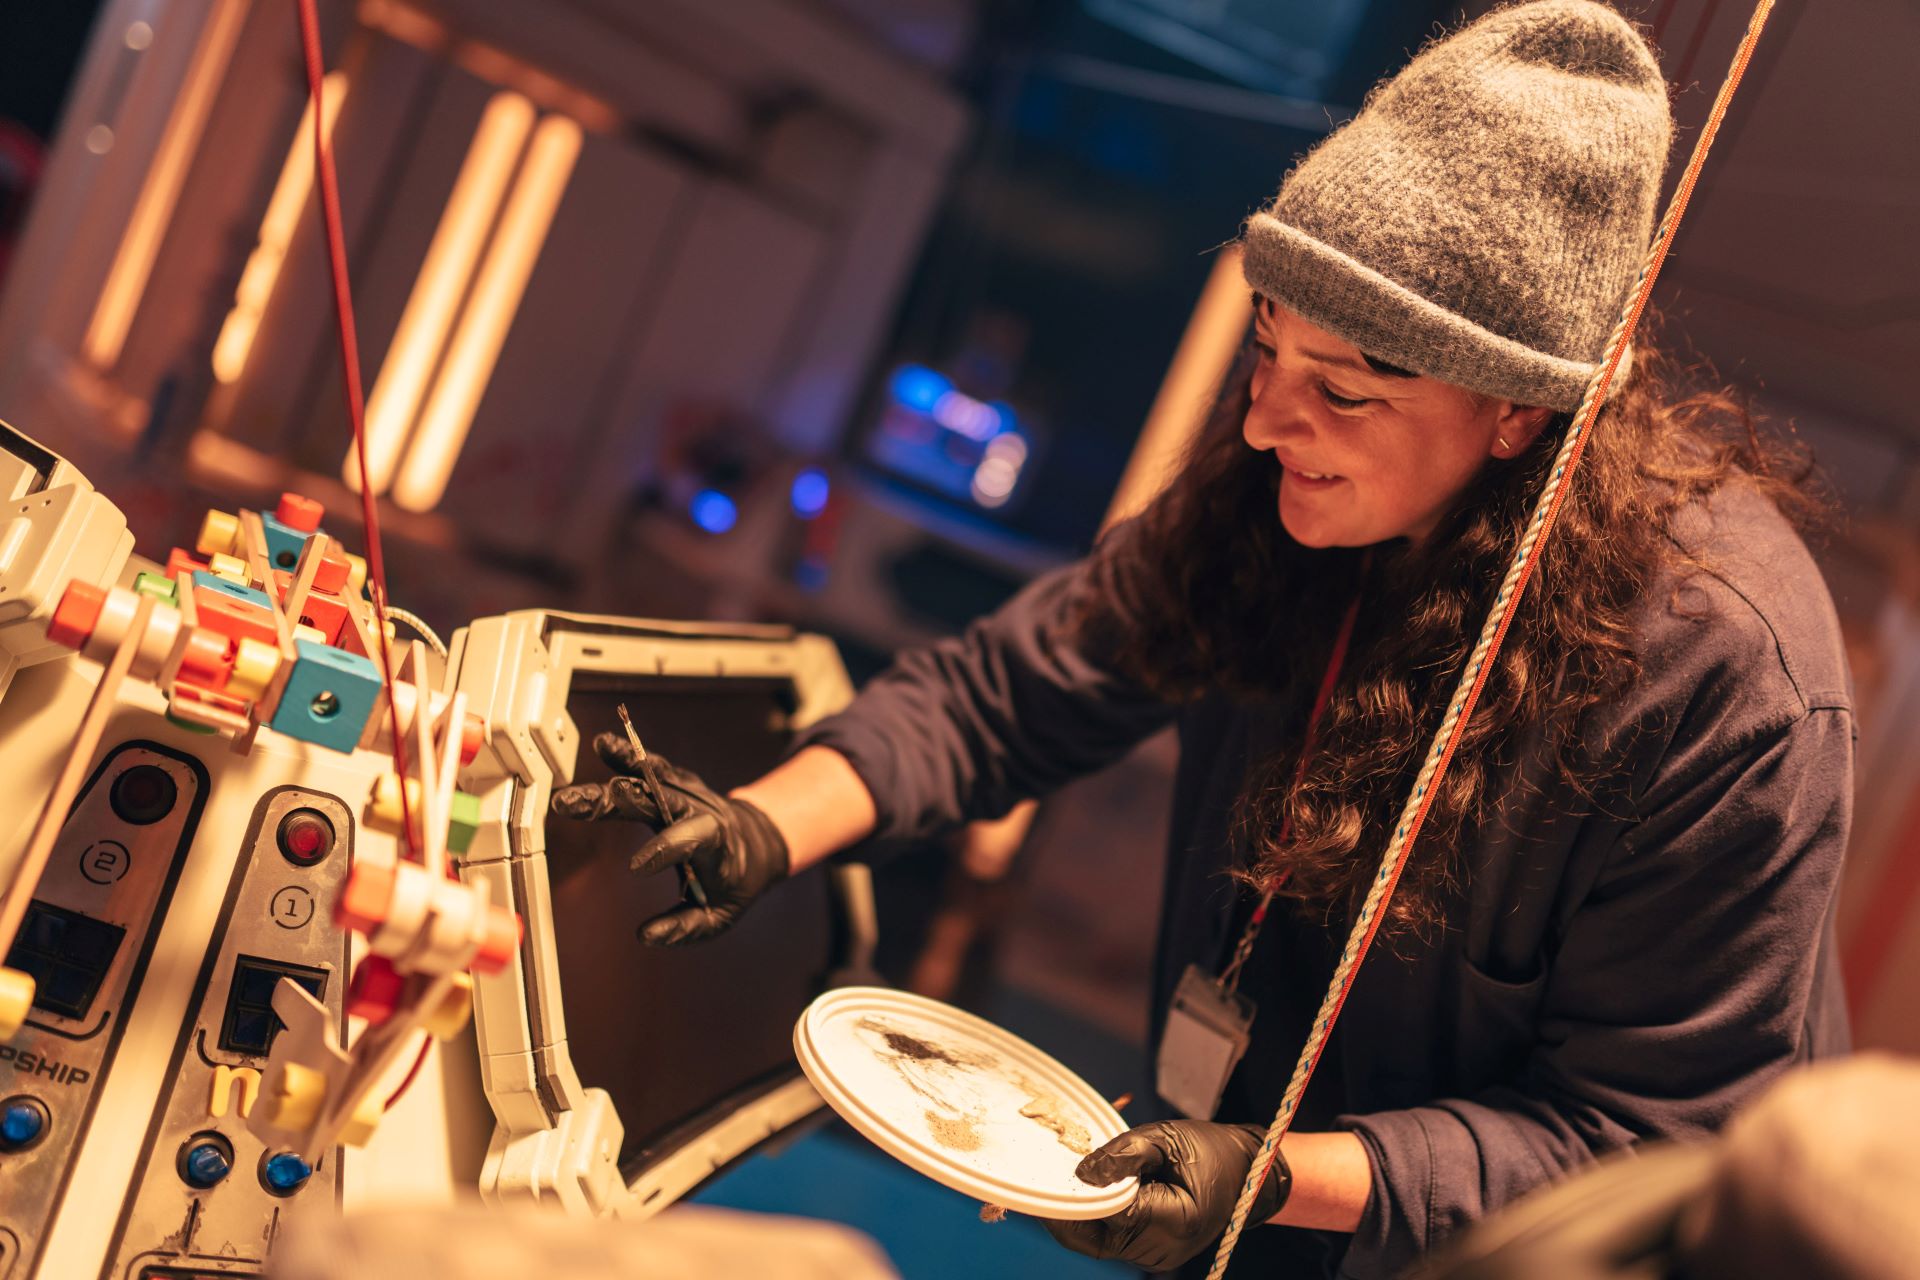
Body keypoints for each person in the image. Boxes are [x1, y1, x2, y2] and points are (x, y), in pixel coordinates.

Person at [551, 3, 1853, 1276]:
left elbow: (1638, 1139)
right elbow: (1007, 694)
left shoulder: (1722, 683)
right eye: (1265, 349)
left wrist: (1271, 1178)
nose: (1265, 424)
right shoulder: (1283, 492)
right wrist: (763, 828)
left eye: (1342, 391)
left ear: (1515, 414)